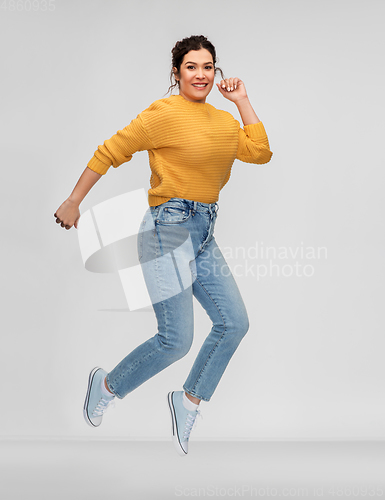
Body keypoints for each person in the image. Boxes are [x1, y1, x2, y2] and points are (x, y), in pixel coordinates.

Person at [54, 34, 273, 456]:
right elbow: (110, 151)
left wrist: (242, 100)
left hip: (204, 230)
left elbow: (261, 152)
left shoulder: (225, 122)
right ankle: (106, 386)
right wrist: (73, 201)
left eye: (208, 67)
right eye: (192, 67)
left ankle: (188, 399)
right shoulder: (162, 114)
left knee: (235, 323)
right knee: (176, 340)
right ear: (177, 73)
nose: (201, 75)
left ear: (217, 73)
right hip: (167, 227)